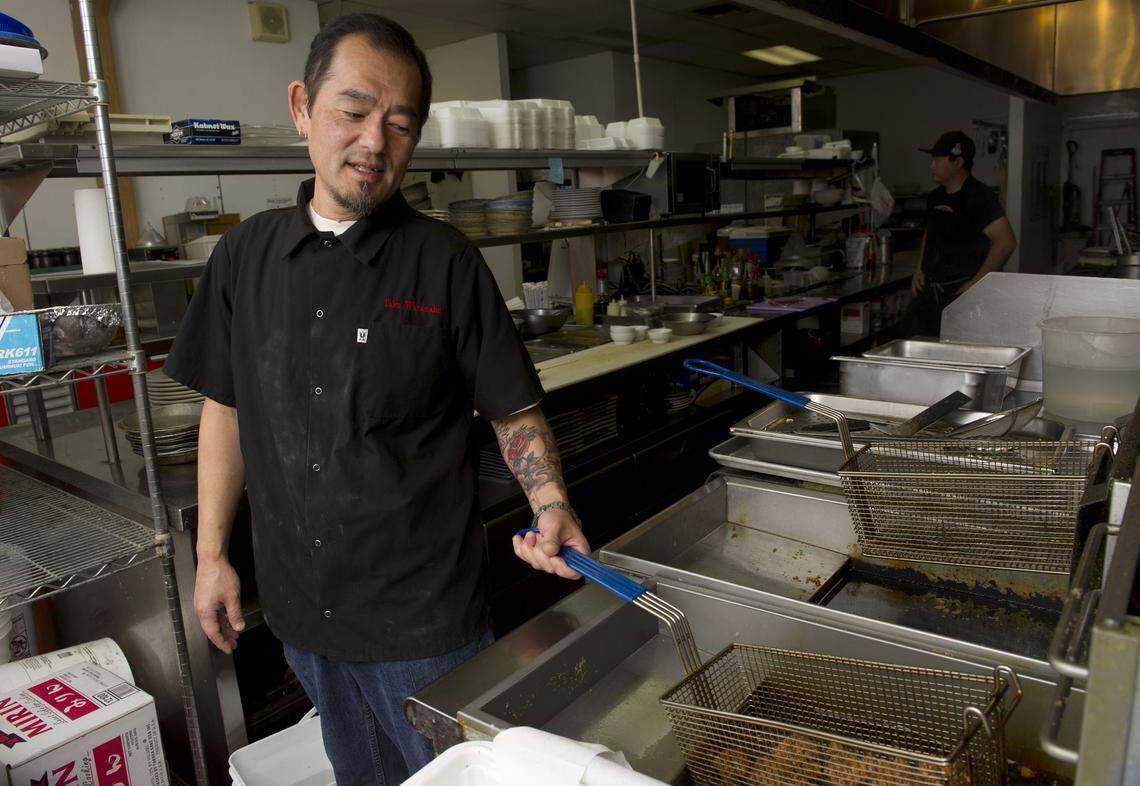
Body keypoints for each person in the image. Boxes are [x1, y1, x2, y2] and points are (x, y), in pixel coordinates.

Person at [164, 13, 588, 784]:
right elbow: (224, 409)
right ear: (302, 106)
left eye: (399, 124)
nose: (373, 143)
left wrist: (549, 500)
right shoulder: (243, 257)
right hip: (301, 609)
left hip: (422, 619)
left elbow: (511, 411)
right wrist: (212, 556)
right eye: (353, 112)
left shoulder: (446, 263)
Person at [905, 130, 1018, 337]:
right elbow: (930, 233)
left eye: (938, 160)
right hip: (929, 293)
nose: (932, 166)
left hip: (961, 295)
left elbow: (1006, 242)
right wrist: (919, 269)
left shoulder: (980, 198)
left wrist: (976, 284)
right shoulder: (934, 197)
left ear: (958, 163)